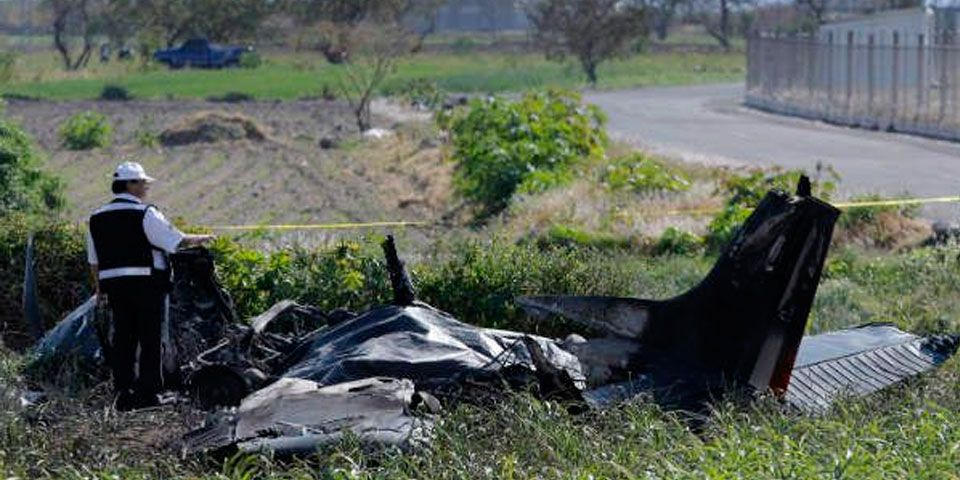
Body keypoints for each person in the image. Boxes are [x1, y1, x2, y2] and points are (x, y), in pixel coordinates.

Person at [86, 162, 214, 410]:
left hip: (115, 288)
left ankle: (122, 394)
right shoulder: (145, 213)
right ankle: (148, 394)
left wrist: (100, 290)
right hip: (146, 284)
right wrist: (202, 238)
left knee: (123, 339)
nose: (146, 187)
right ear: (130, 184)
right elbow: (174, 241)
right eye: (142, 182)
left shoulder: (96, 217)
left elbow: (94, 261)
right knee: (150, 339)